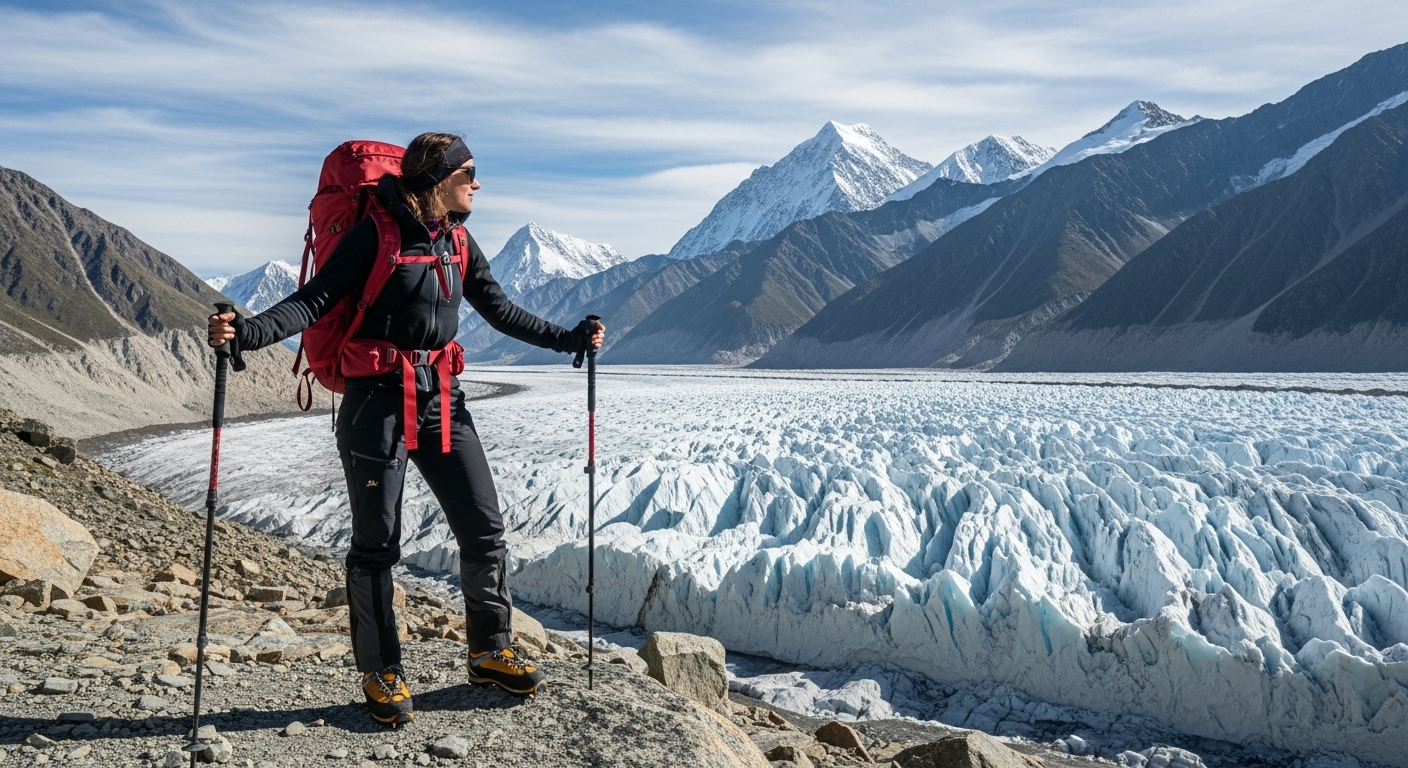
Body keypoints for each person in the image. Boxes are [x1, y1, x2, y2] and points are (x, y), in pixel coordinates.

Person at [207, 132, 604, 727]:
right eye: (468, 172)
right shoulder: (375, 235)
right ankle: (381, 668)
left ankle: (489, 649)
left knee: (484, 528)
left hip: (440, 398)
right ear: (436, 178)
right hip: (376, 403)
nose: (477, 183)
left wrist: (569, 339)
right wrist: (249, 332)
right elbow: (314, 301)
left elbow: (502, 311)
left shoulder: (459, 243)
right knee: (377, 545)